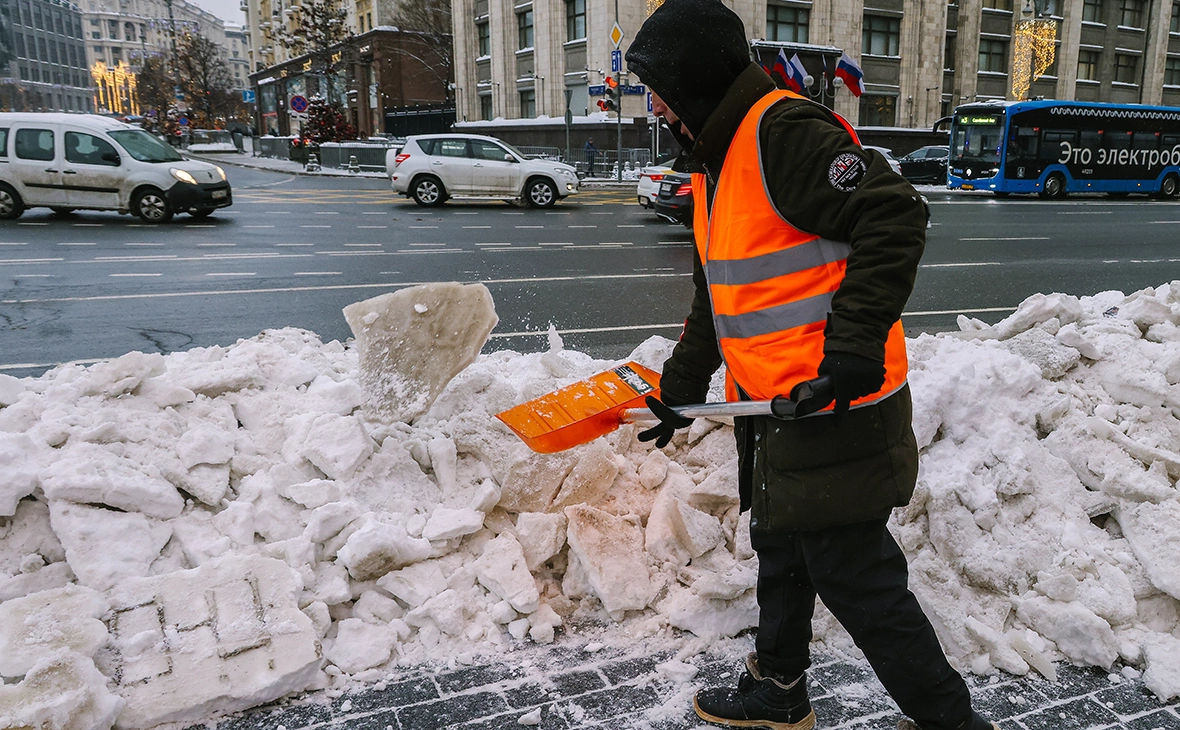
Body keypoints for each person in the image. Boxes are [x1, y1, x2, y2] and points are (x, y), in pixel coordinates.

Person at [624, 2, 998, 730]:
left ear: (696, 79)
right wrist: (682, 384)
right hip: (775, 410)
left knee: (860, 582)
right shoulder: (716, 159)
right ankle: (780, 690)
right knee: (782, 547)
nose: (657, 107)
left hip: (834, 406)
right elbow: (720, 289)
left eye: (661, 88)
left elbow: (892, 214)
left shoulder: (782, 133)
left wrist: (852, 349)